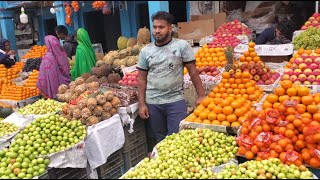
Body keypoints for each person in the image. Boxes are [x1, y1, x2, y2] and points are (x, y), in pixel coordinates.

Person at [137, 11, 206, 143]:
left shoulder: (181, 46)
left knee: (177, 138)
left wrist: (201, 95)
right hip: (153, 102)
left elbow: (193, 72)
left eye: (161, 27)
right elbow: (141, 79)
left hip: (175, 100)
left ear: (170, 28)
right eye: (155, 27)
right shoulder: (146, 51)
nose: (157, 31)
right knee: (159, 139)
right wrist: (142, 104)